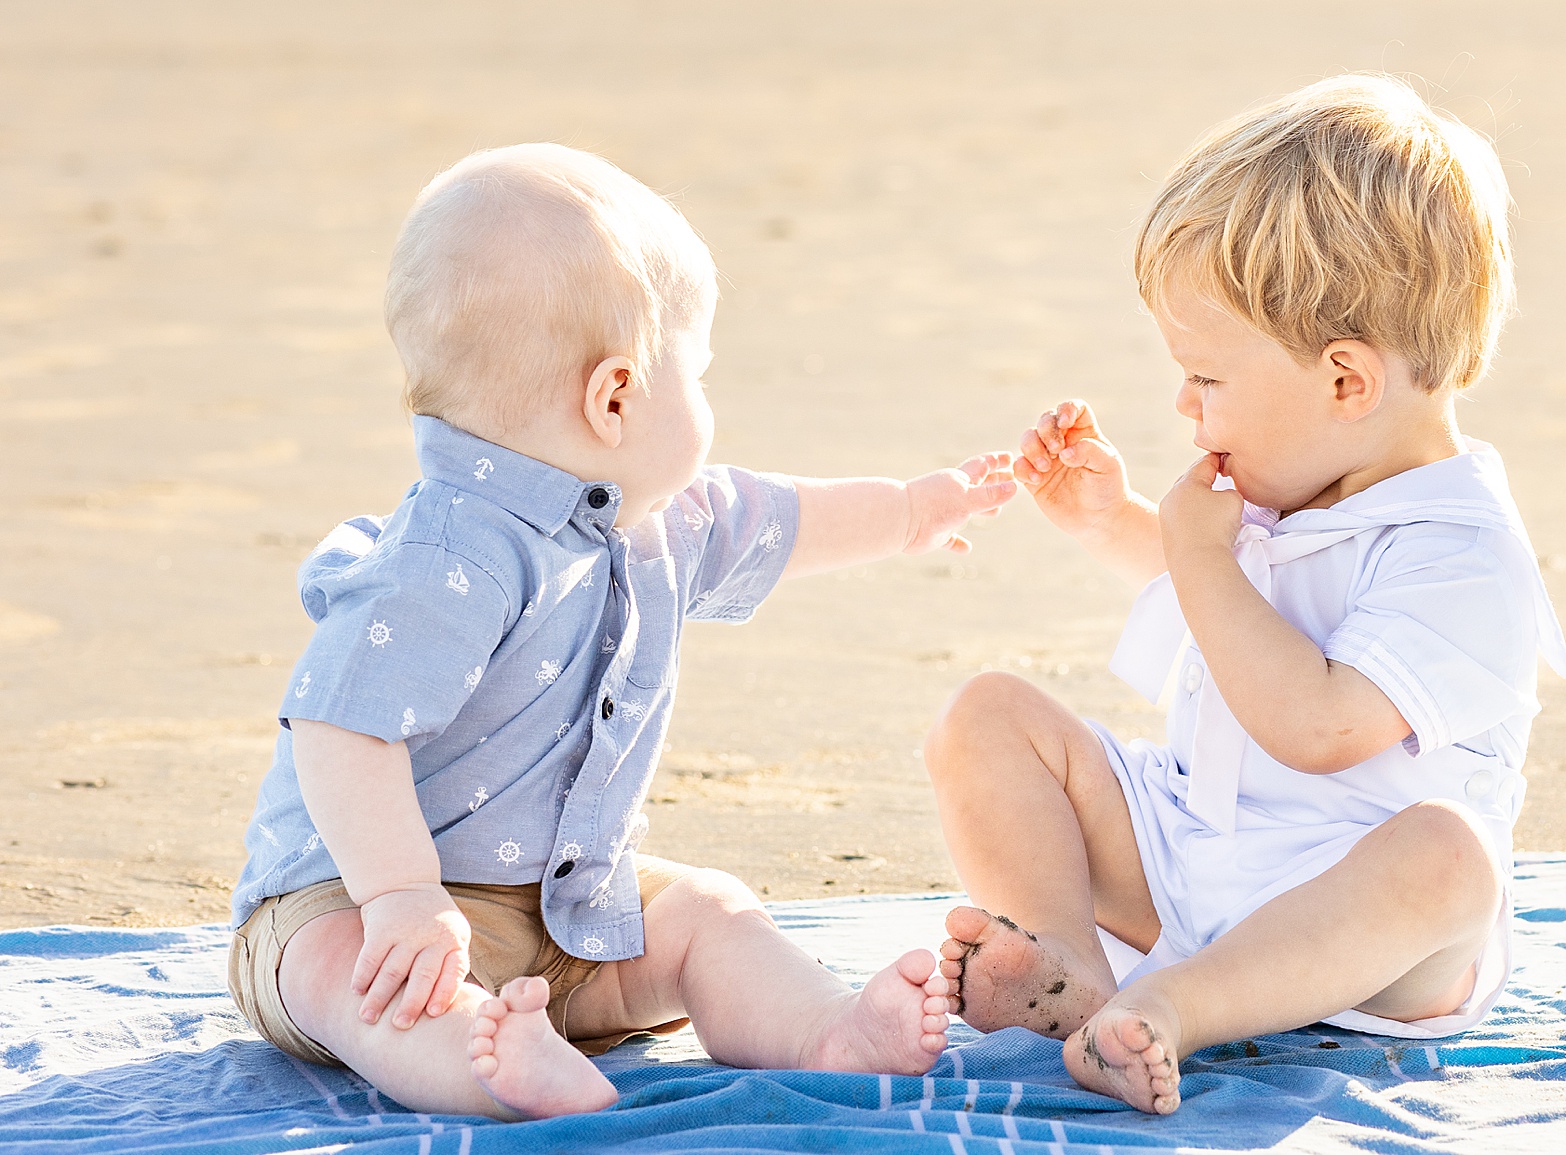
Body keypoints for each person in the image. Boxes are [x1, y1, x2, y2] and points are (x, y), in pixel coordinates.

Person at [228, 143, 1018, 1119]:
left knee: (707, 912)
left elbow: (784, 517)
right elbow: (341, 726)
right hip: (362, 899)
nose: (709, 408)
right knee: (349, 976)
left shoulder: (661, 524)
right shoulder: (450, 552)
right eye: (700, 375)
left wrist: (909, 511)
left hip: (568, 914)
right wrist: (399, 893)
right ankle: (494, 1071)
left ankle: (827, 1031)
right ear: (616, 396)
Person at [925, 75, 1566, 1115]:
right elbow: (1241, 617)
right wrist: (1114, 522)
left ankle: (1175, 1006)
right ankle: (1070, 972)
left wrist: (1198, 556)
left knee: (1448, 858)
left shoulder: (1462, 553)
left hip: (1364, 928)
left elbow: (1314, 725)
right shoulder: (1307, 477)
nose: (1184, 405)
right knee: (989, 718)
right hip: (1199, 855)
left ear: (1346, 382)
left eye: (1208, 379)